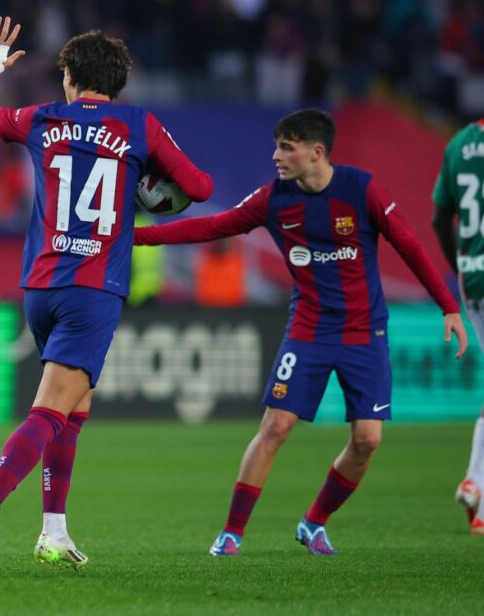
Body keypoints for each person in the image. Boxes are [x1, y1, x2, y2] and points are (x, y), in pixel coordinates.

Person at [135, 109, 468, 556]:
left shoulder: (361, 189)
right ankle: (231, 533)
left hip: (364, 332)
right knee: (275, 426)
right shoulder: (274, 199)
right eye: (276, 146)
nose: (275, 156)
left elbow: (407, 243)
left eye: (286, 147)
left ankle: (313, 523)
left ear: (316, 152)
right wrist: (138, 238)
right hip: (308, 329)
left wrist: (448, 306)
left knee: (368, 439)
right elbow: (212, 226)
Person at [0, 17, 214, 576]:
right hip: (94, 289)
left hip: (41, 285)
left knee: (73, 409)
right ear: (117, 82)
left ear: (69, 77)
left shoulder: (45, 117)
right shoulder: (137, 124)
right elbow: (199, 188)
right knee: (50, 410)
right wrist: (148, 186)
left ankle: (54, 531)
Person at [431, 118, 484, 535]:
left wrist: (460, 269)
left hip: (472, 278)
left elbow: (438, 219)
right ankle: (476, 479)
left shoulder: (460, 143)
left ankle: (478, 491)